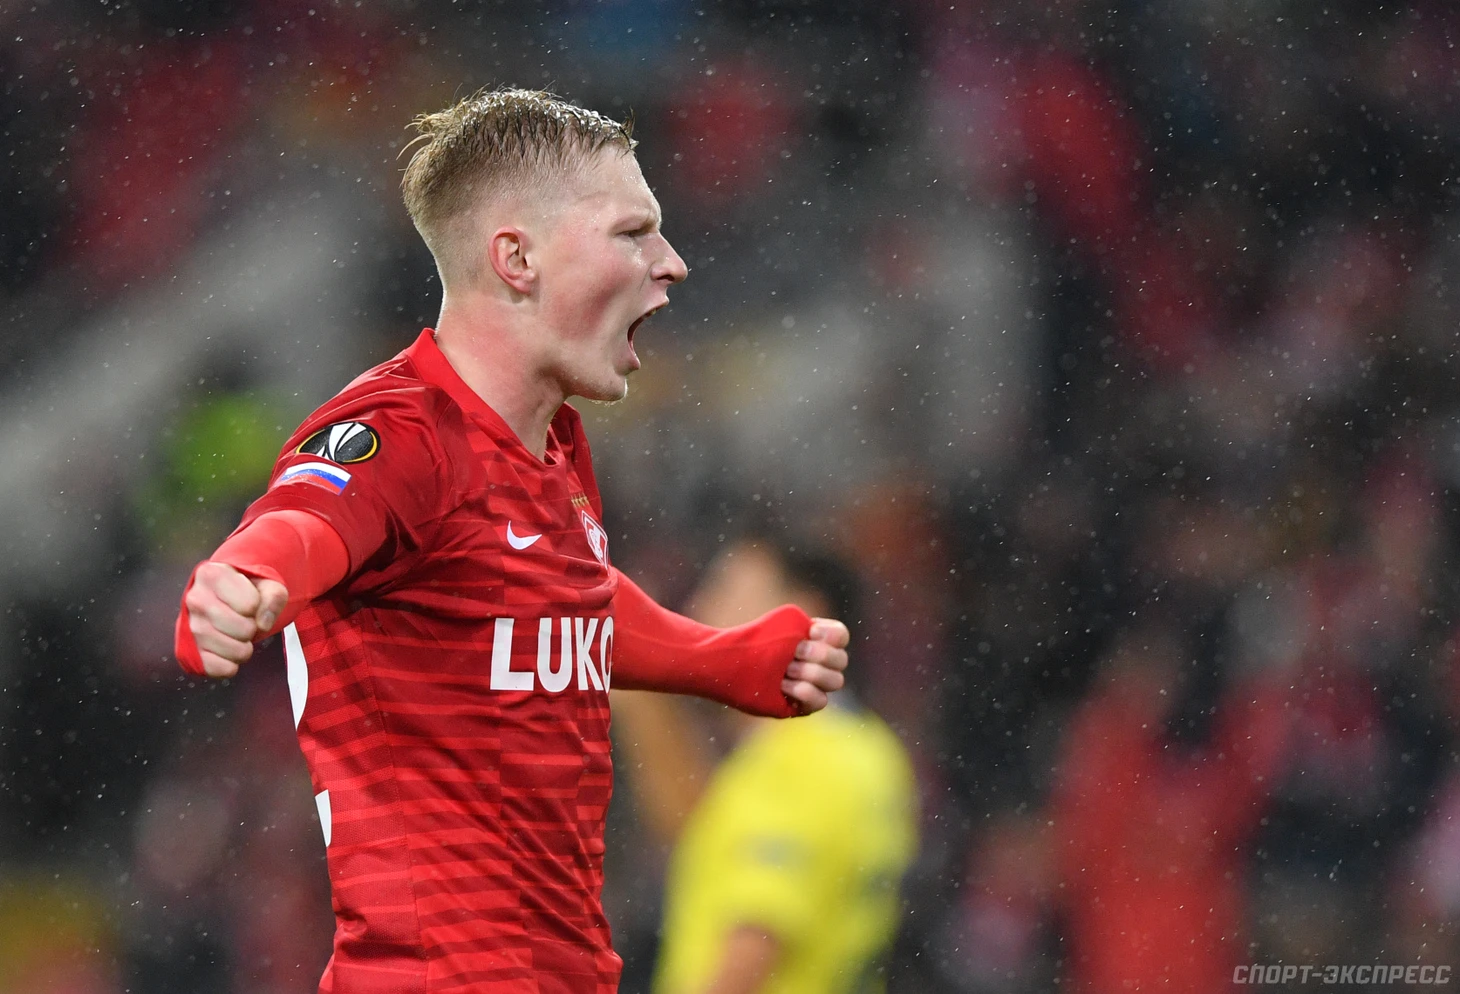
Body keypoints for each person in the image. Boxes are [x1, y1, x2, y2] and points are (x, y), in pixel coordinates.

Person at [172, 88, 851, 994]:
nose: (672, 264)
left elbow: (561, 596)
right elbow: (302, 525)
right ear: (517, 258)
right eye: (632, 233)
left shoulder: (553, 444)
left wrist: (715, 660)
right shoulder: (399, 433)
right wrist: (239, 578)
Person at [612, 540, 918, 994]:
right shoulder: (867, 750)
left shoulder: (800, 761)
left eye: (727, 590)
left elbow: (752, 947)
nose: (698, 609)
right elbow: (705, 836)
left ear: (804, 616)